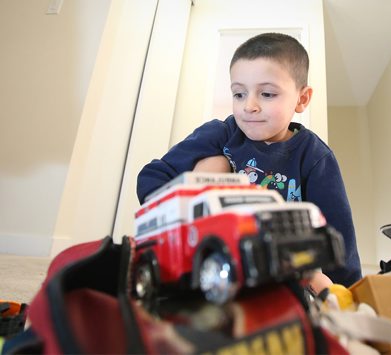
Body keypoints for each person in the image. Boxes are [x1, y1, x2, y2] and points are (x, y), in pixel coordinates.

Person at [137, 32, 362, 287]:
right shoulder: (221, 134)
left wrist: (349, 296)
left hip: (279, 273)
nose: (249, 106)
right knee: (214, 165)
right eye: (239, 94)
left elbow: (340, 236)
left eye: (266, 94)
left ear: (302, 99)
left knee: (319, 281)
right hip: (214, 263)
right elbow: (153, 176)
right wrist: (179, 221)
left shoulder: (314, 157)